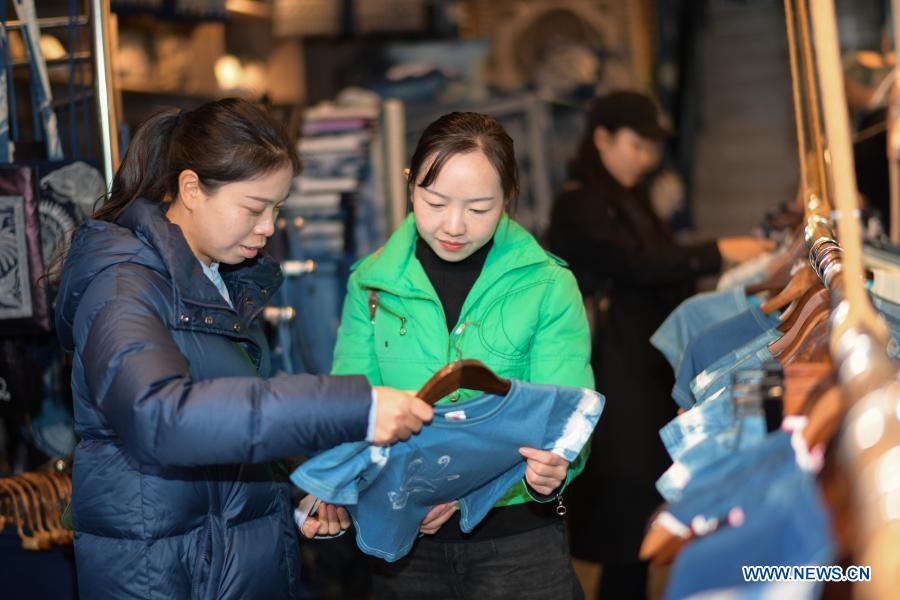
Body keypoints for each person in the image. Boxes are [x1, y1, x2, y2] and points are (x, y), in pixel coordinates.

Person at [54, 98, 433, 600]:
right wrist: (351, 406)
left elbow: (233, 427)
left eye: (277, 209)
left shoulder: (222, 284)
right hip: (164, 580)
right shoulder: (124, 289)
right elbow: (162, 419)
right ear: (190, 189)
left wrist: (296, 494)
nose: (269, 227)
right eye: (254, 208)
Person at [329, 112, 594, 599]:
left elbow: (567, 415)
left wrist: (556, 466)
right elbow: (351, 412)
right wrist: (393, 494)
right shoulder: (371, 283)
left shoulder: (548, 285)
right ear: (411, 185)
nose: (453, 225)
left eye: (479, 208)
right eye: (434, 202)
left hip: (517, 545)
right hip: (405, 548)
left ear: (508, 199)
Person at [547, 90, 774, 599]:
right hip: (610, 379)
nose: (644, 159)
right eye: (635, 145)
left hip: (641, 375)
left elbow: (656, 262)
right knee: (626, 516)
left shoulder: (628, 196)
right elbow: (639, 262)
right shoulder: (580, 202)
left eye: (651, 149)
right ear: (601, 138)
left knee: (639, 518)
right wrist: (718, 251)